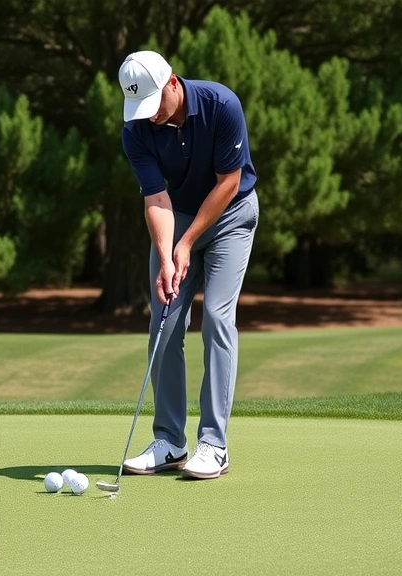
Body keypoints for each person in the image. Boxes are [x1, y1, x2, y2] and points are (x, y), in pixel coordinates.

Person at [117, 50, 259, 480]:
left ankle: (214, 444)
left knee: (217, 317)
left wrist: (189, 241)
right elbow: (155, 198)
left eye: (156, 103)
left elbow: (229, 181)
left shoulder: (221, 105)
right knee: (164, 322)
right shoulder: (136, 130)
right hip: (174, 215)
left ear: (173, 83)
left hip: (231, 214)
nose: (151, 116)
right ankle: (170, 442)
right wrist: (167, 254)